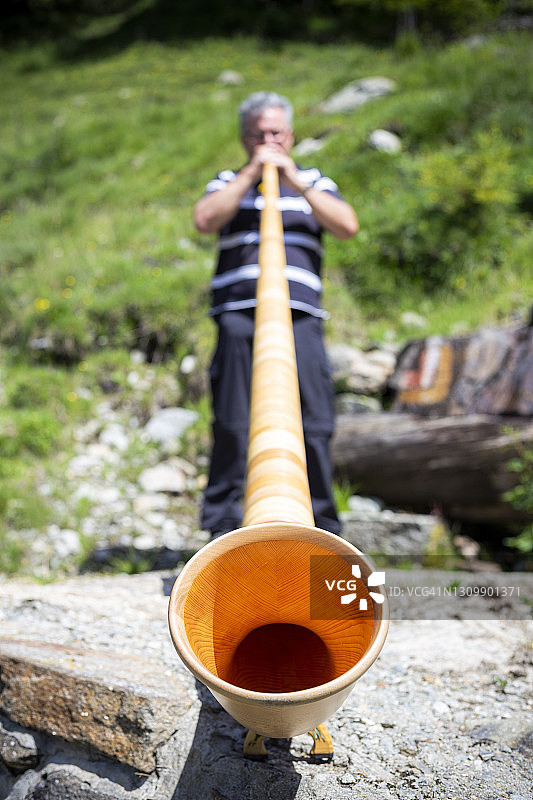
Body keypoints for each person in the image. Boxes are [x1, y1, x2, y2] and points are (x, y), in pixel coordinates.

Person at [194, 91, 358, 539]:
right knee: (232, 420)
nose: (269, 140)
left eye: (277, 132)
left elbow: (347, 225)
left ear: (290, 134)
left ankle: (322, 533)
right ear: (244, 138)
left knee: (313, 420)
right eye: (259, 134)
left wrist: (295, 179)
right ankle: (223, 535)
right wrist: (252, 174)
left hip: (298, 316)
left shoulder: (314, 181)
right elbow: (205, 219)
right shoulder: (229, 180)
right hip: (239, 314)